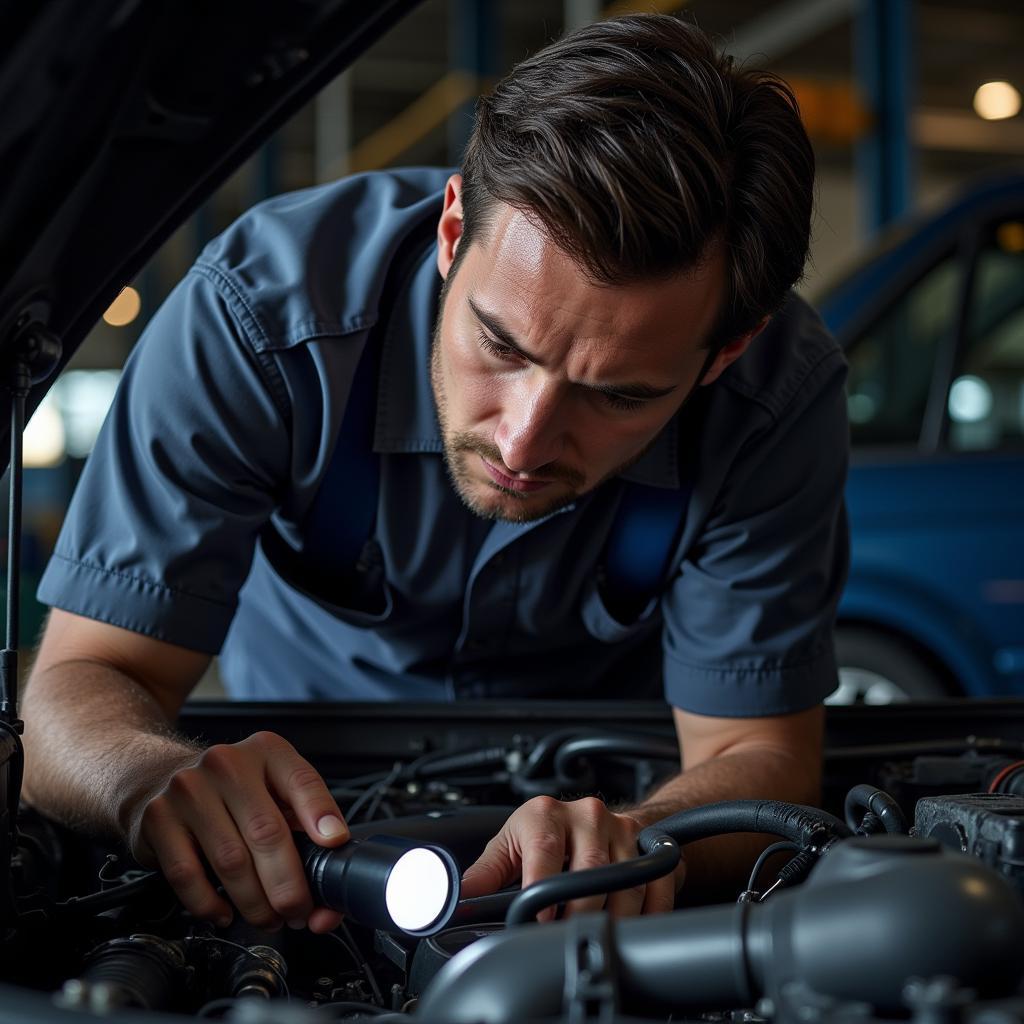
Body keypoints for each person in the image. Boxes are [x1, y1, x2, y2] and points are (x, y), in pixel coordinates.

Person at [21, 14, 848, 934]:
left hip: (617, 808)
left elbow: (755, 751)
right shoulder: (259, 319)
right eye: (499, 343)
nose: (525, 441)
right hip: (298, 834)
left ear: (725, 354)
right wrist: (147, 780)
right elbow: (80, 681)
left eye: (618, 396)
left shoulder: (776, 402)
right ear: (453, 231)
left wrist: (647, 837)